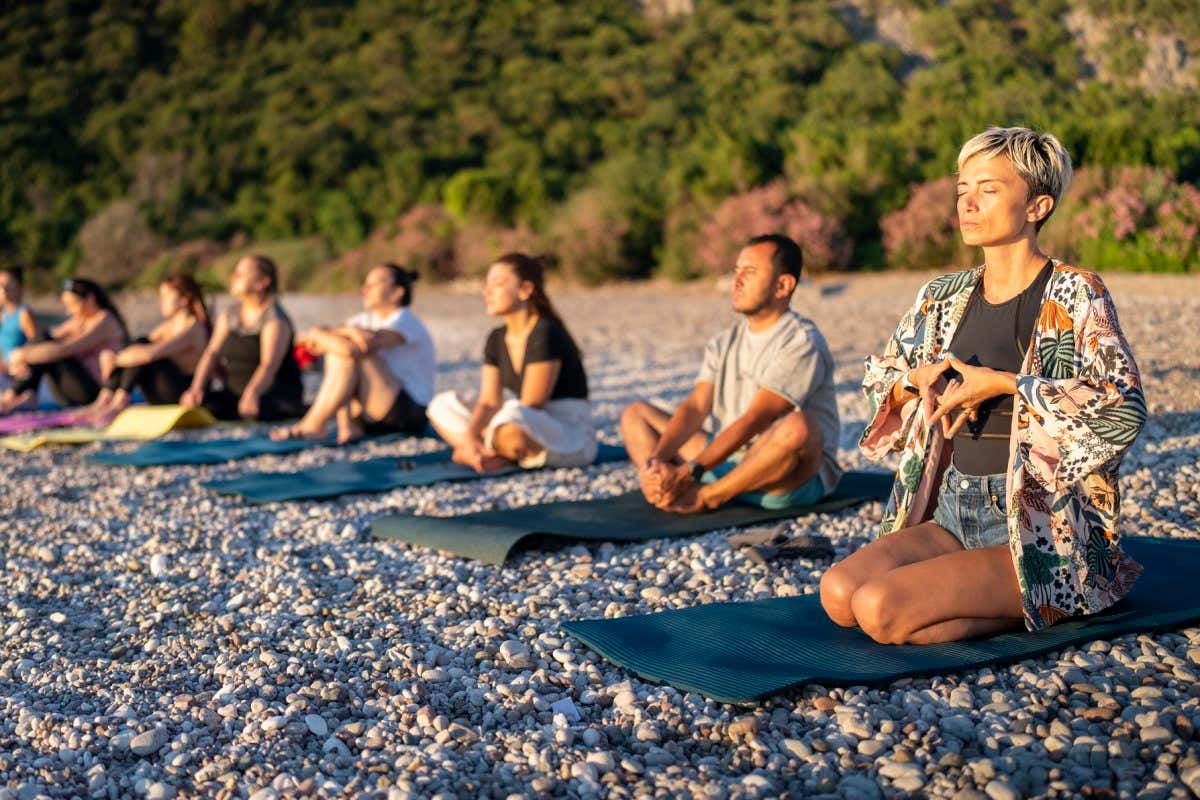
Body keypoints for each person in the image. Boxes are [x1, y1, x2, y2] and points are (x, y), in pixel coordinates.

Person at [819, 126, 1146, 644]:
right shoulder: (942, 294)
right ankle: (1020, 600)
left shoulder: (1077, 291)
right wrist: (912, 383)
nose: (967, 203)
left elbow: (1123, 407)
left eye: (988, 189)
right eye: (962, 190)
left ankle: (1066, 591)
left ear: (1037, 206)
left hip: (1038, 525)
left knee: (880, 610)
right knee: (839, 594)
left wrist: (1005, 384)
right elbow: (881, 376)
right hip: (951, 507)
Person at [620, 234, 841, 514]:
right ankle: (659, 489)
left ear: (783, 285)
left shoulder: (802, 342)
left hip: (782, 474)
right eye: (736, 272)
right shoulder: (724, 341)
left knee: (799, 427)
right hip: (727, 459)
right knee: (635, 414)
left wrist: (690, 471)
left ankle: (708, 497)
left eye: (749, 272)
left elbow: (756, 419)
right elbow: (696, 406)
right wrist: (657, 461)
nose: (736, 282)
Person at [426, 253, 595, 472]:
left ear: (525, 290)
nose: (487, 292)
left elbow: (533, 403)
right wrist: (469, 435)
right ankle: (486, 452)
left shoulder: (545, 332)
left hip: (566, 433)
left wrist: (487, 429)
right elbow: (488, 402)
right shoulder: (496, 338)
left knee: (513, 416)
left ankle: (486, 452)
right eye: (487, 285)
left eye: (497, 284)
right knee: (442, 406)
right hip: (521, 421)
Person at [272, 264, 434, 443]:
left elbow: (361, 346)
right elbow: (308, 342)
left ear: (397, 293)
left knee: (346, 352)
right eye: (365, 284)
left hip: (406, 413)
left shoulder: (405, 320)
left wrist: (324, 334)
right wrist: (336, 332)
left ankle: (314, 424)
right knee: (339, 350)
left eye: (373, 285)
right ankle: (346, 427)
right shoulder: (364, 320)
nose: (364, 289)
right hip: (371, 408)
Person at [180, 255, 305, 421]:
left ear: (262, 282)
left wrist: (252, 393)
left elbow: (268, 365)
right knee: (202, 406)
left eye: (240, 274)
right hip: (234, 394)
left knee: (260, 411)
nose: (234, 278)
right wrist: (196, 388)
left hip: (270, 394)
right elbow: (211, 353)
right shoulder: (229, 315)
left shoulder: (275, 320)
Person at [88, 275, 210, 415]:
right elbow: (136, 348)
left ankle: (119, 400)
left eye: (165, 296)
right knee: (139, 344)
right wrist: (112, 355)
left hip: (184, 394)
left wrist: (115, 359)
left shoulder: (193, 328)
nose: (160, 302)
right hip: (164, 391)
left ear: (184, 299)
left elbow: (151, 354)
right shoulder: (168, 326)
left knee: (143, 348)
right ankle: (106, 397)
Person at [0, 277, 127, 413]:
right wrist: (21, 357)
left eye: (72, 304)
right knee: (44, 339)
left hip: (97, 393)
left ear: (90, 299)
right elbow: (47, 337)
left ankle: (16, 393)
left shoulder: (105, 320)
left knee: (50, 353)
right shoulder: (79, 321)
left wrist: (23, 355)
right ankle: (22, 394)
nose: (68, 311)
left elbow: (66, 350)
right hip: (73, 390)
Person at [0, 267, 38, 395]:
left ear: (20, 288)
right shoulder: (2, 316)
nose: (4, 290)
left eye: (9, 285)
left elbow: (37, 345)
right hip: (5, 372)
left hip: (20, 373)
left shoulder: (24, 313)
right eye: (0, 285)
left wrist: (20, 363)